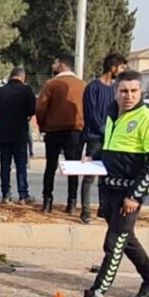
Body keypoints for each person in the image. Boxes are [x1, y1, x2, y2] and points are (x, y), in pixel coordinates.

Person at [75, 70, 149, 297]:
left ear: (141, 92)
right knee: (127, 240)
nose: (129, 96)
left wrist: (135, 195)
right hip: (109, 188)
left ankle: (96, 294)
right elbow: (108, 146)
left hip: (129, 192)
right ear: (116, 92)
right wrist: (92, 157)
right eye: (124, 91)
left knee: (114, 243)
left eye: (134, 91)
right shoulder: (112, 114)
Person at [35, 53, 85, 214]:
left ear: (63, 65)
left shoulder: (51, 84)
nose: (52, 66)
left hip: (54, 130)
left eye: (55, 62)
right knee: (73, 168)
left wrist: (42, 125)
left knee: (50, 167)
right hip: (76, 130)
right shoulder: (83, 85)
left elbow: (40, 108)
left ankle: (47, 202)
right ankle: (71, 202)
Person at [81, 53, 127, 222]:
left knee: (106, 175)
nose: (122, 71)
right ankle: (85, 210)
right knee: (90, 175)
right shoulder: (93, 87)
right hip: (95, 137)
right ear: (113, 67)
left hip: (112, 138)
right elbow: (91, 113)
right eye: (121, 67)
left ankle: (103, 208)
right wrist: (104, 131)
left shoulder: (116, 90)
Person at [0, 68, 36, 204]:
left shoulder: (0, 91)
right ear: (23, 78)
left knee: (5, 165)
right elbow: (32, 110)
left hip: (3, 133)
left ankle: (6, 194)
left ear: (11, 76)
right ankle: (23, 195)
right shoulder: (27, 90)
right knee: (21, 165)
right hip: (20, 132)